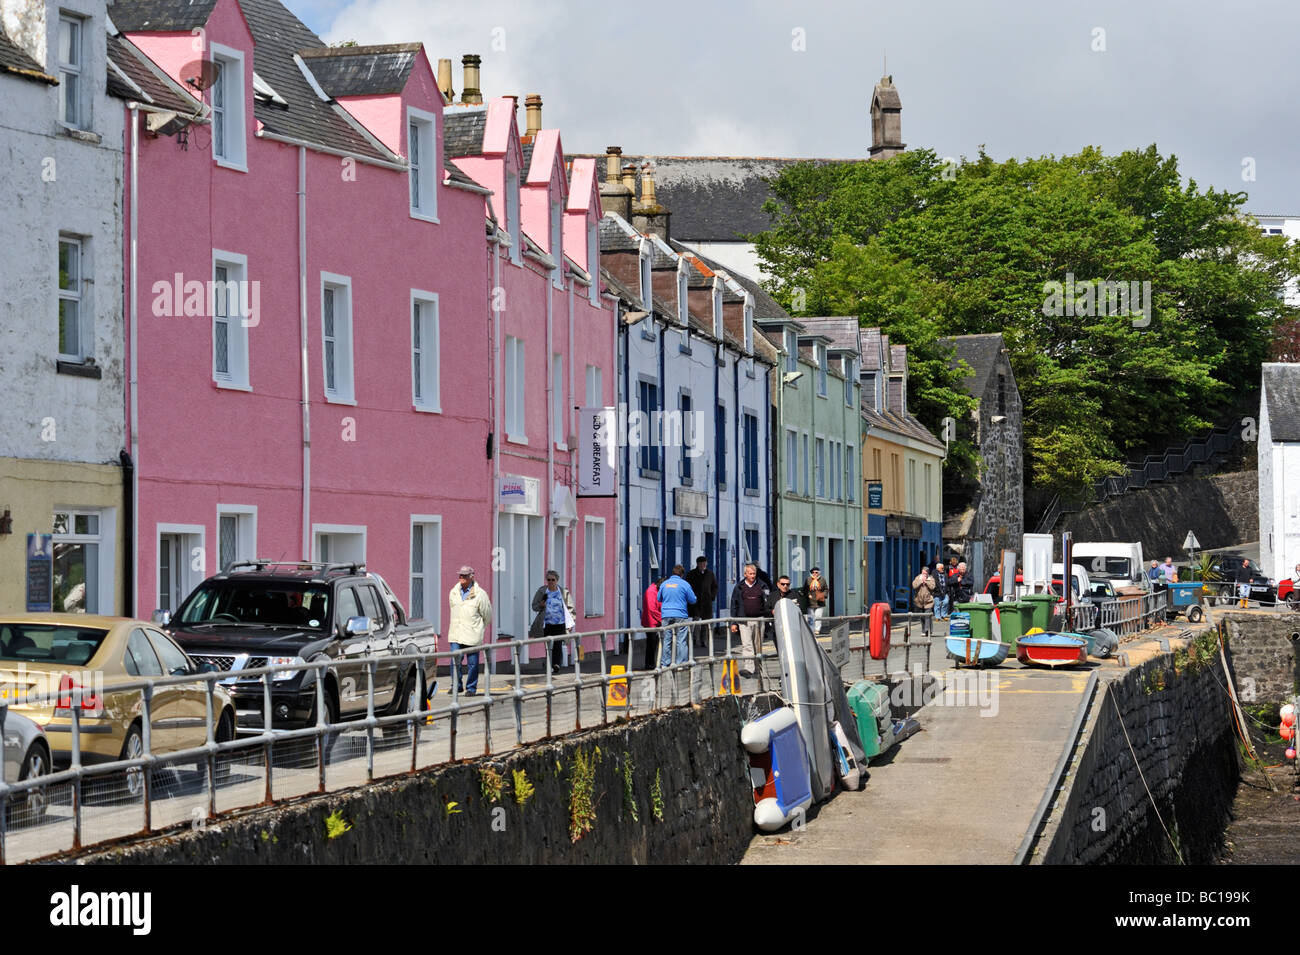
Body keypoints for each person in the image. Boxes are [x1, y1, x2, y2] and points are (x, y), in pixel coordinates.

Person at [447, 566, 492, 696]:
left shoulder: (480, 594)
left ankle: (471, 688)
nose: (461, 577)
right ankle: (456, 686)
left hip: (472, 634)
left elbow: (487, 614)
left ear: (471, 577)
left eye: (464, 576)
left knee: (472, 664)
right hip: (456, 633)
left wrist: (479, 628)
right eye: (460, 575)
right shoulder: (454, 592)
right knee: (455, 662)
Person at [728, 562, 770, 678]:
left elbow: (767, 602)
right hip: (743, 620)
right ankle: (749, 668)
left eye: (754, 573)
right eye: (750, 573)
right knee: (747, 645)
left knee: (757, 645)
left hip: (759, 619)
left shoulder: (762, 586)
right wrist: (734, 622)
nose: (752, 576)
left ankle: (758, 670)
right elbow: (734, 605)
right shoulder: (739, 587)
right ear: (745, 574)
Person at [530, 570, 575, 676]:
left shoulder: (563, 592)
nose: (550, 582)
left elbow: (570, 607)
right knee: (548, 644)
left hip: (560, 623)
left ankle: (556, 664)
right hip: (547, 623)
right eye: (548, 580)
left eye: (553, 580)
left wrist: (570, 623)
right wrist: (541, 605)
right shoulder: (542, 591)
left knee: (558, 644)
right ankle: (550, 664)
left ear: (557, 580)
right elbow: (534, 606)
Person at [656, 565, 697, 668]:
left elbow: (659, 598)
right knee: (681, 640)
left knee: (666, 639)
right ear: (682, 574)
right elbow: (692, 600)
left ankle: (665, 663)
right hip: (680, 615)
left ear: (672, 573)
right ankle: (681, 663)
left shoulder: (664, 584)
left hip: (666, 615)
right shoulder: (685, 584)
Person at [684, 555, 718, 650]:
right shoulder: (691, 574)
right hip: (695, 601)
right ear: (698, 564)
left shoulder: (710, 574)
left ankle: (704, 640)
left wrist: (712, 596)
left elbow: (714, 586)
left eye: (704, 563)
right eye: (701, 563)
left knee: (705, 622)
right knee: (696, 621)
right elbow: (687, 587)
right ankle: (695, 639)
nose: (703, 565)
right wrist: (690, 598)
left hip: (707, 602)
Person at [799, 568, 830, 634]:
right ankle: (811, 629)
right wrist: (808, 595)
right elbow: (805, 589)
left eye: (816, 572)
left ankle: (817, 630)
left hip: (820, 602)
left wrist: (823, 595)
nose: (815, 574)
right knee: (811, 617)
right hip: (810, 602)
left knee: (818, 616)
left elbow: (826, 589)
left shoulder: (822, 580)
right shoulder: (808, 579)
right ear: (811, 573)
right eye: (813, 572)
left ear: (819, 573)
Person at [641, 578, 663, 670]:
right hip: (651, 622)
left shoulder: (655, 591)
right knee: (651, 643)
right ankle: (649, 664)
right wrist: (662, 618)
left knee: (654, 643)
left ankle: (651, 663)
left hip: (654, 621)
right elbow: (651, 609)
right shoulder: (651, 592)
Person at [912, 565, 936, 636]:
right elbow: (914, 586)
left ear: (928, 573)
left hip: (928, 601)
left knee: (927, 616)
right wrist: (920, 581)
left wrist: (926, 582)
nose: (924, 575)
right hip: (919, 601)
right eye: (923, 573)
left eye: (925, 573)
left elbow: (933, 587)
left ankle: (926, 631)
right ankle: (925, 630)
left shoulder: (931, 579)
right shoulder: (918, 578)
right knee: (922, 617)